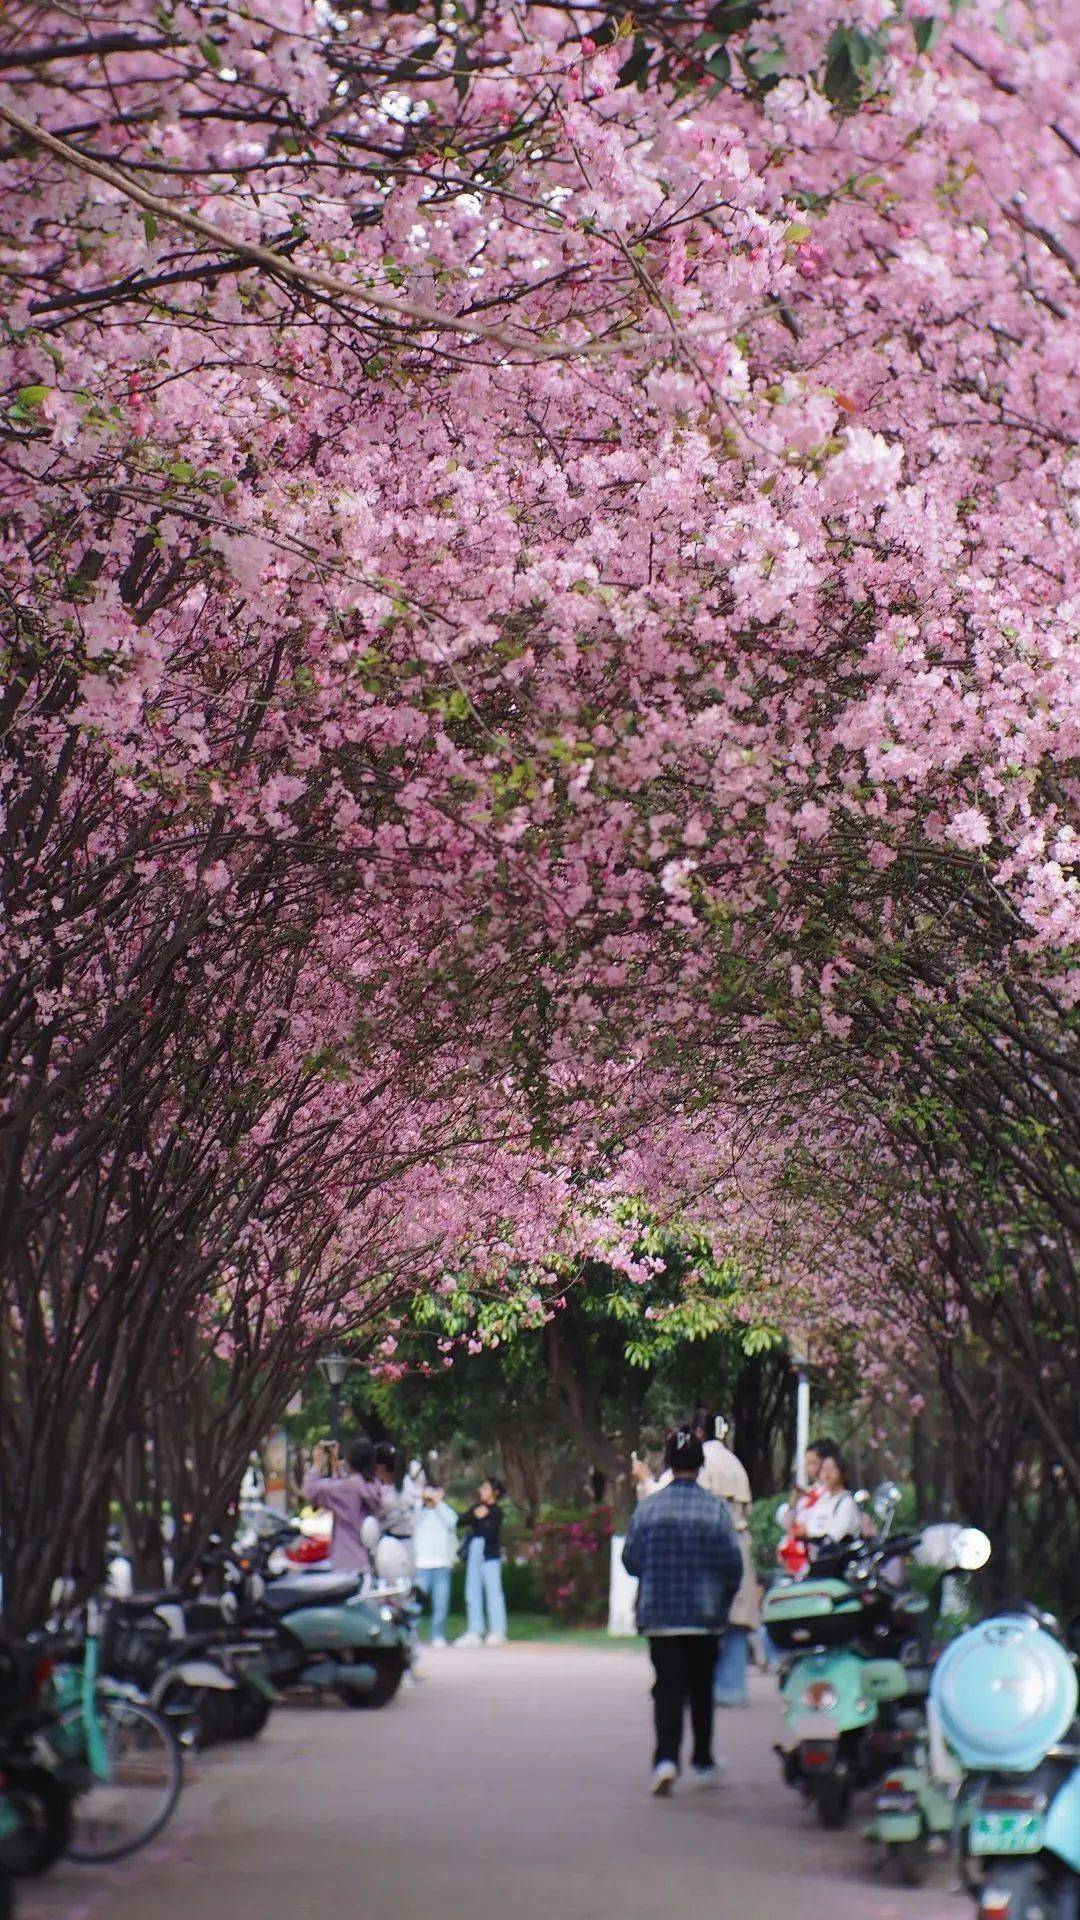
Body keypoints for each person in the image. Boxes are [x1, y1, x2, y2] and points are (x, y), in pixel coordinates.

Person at [622, 1427, 742, 1797]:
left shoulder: (649, 1508)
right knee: (701, 1687)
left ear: (668, 1463)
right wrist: (723, 1597)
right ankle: (703, 1759)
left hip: (660, 1613)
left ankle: (665, 1759)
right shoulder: (716, 1510)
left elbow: (631, 1560)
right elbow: (732, 1565)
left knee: (667, 1688)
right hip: (705, 1616)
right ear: (700, 1463)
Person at [301, 1437, 381, 1574]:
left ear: (350, 1460)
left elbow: (310, 1490)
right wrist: (335, 1464)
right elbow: (344, 1487)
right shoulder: (375, 1486)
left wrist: (317, 1464)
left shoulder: (347, 1488)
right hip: (371, 1562)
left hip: (347, 1563)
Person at [456, 1477, 508, 1647]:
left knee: (494, 1593)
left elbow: (491, 1533)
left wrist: (483, 1518)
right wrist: (474, 1515)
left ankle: (497, 1631)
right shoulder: (477, 1508)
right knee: (472, 1592)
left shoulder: (496, 1511)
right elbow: (461, 1521)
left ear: (495, 1492)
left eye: (486, 1488)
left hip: (490, 1556)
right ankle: (475, 1630)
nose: (482, 1491)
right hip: (474, 1553)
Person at [413, 1483, 458, 1646]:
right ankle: (413, 1634)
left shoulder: (445, 1511)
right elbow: (412, 1523)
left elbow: (452, 1522)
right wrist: (421, 1500)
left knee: (441, 1603)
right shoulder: (419, 1512)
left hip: (442, 1563)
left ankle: (438, 1634)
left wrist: (438, 1503)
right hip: (421, 1564)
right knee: (416, 1604)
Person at [371, 1441, 420, 1582]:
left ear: (381, 1467)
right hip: (406, 1546)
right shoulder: (404, 1484)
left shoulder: (393, 1495)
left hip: (396, 1548)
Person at [799, 1446, 860, 1555]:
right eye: (824, 1469)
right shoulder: (822, 1500)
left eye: (832, 1468)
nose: (827, 1473)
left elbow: (837, 1533)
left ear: (842, 1472)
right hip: (818, 1555)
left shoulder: (846, 1501)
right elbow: (811, 1526)